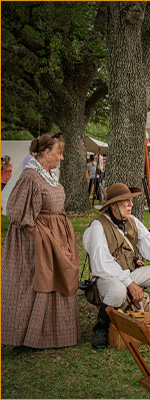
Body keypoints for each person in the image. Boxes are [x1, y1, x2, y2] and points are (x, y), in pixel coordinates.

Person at [1, 133, 80, 349]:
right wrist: (42, 235)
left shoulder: (47, 174)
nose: (61, 158)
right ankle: (28, 338)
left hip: (53, 237)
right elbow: (16, 213)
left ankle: (51, 334)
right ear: (46, 152)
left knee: (56, 279)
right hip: (34, 242)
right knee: (38, 283)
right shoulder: (30, 177)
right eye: (59, 153)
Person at [84, 183, 150, 349]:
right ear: (114, 205)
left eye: (131, 200)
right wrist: (129, 284)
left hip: (129, 274)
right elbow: (101, 264)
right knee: (118, 291)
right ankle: (100, 330)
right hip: (106, 277)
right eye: (126, 201)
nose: (131, 204)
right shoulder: (98, 227)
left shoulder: (132, 222)